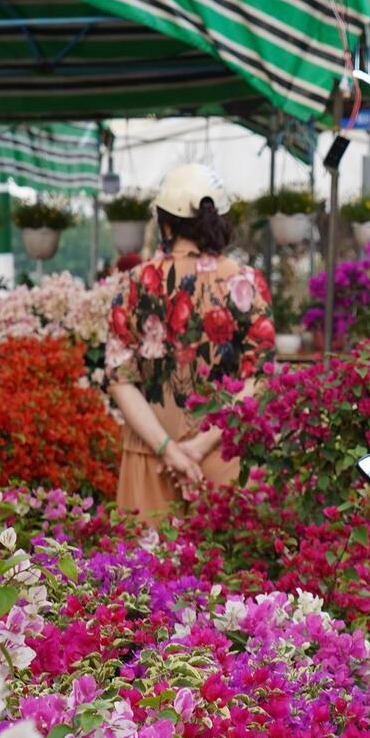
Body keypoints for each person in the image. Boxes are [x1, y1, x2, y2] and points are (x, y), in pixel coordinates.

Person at [104, 163, 274, 517]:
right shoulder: (245, 282)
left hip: (149, 457)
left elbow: (120, 379)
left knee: (140, 570)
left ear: (165, 222)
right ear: (220, 220)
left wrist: (169, 449)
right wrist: (198, 446)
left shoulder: (135, 282)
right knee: (232, 570)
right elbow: (260, 377)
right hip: (226, 455)